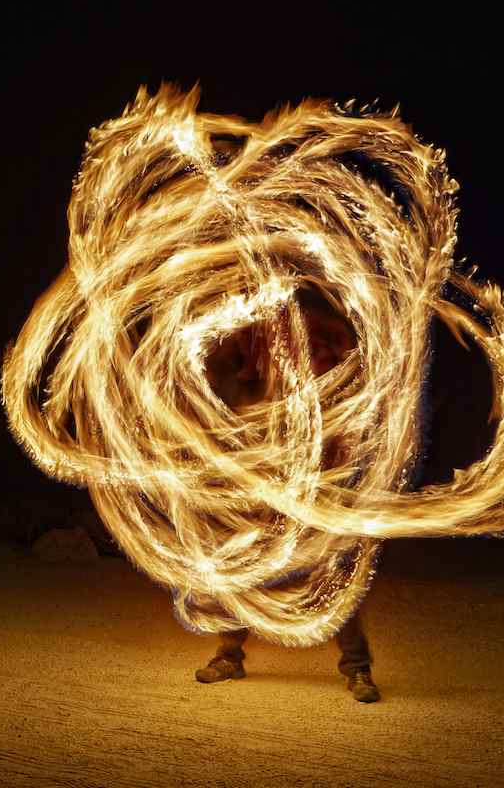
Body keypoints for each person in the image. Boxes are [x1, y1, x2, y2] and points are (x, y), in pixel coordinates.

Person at [196, 286, 381, 703]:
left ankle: (357, 668)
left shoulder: (330, 332)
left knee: (334, 569)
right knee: (241, 563)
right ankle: (229, 656)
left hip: (321, 473)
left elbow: (355, 390)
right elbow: (228, 379)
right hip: (267, 471)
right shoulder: (255, 333)